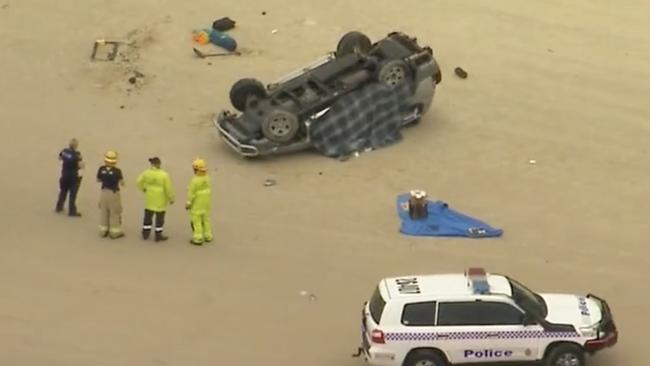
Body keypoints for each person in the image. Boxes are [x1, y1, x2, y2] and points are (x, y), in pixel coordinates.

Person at [136, 157, 175, 241]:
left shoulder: (146, 173)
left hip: (149, 198)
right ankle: (158, 235)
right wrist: (171, 198)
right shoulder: (164, 175)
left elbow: (138, 181)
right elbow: (168, 188)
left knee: (147, 216)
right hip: (160, 200)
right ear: (159, 164)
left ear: (151, 164)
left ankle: (145, 233)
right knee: (159, 219)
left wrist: (143, 188)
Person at [96, 151, 125, 239]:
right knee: (114, 212)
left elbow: (98, 180)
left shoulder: (101, 169)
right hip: (113, 192)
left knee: (104, 211)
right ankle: (114, 232)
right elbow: (121, 182)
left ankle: (103, 230)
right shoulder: (117, 171)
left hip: (104, 192)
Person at [185, 158, 213, 245]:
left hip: (197, 204)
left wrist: (188, 204)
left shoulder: (194, 181)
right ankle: (208, 236)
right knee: (206, 220)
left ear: (196, 169)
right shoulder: (207, 178)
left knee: (196, 221)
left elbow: (191, 194)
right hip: (206, 203)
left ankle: (198, 238)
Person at [56, 138, 84, 216]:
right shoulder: (77, 154)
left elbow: (60, 158)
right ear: (76, 146)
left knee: (63, 191)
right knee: (73, 195)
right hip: (73, 177)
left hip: (64, 175)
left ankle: (59, 207)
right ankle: (72, 211)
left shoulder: (64, 151)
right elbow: (80, 165)